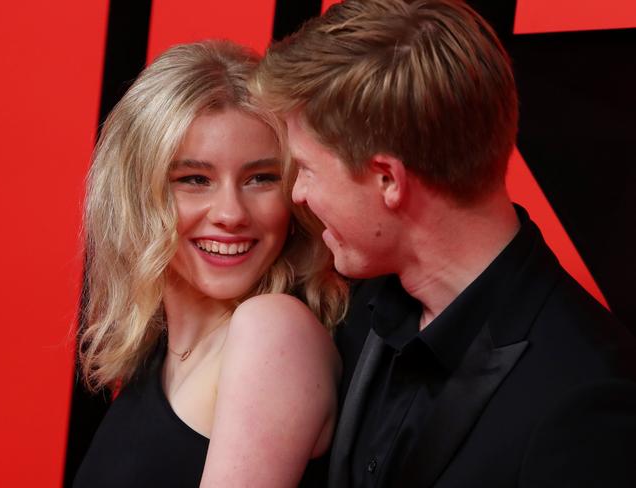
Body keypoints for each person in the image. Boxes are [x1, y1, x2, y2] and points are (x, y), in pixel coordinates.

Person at [253, 0, 636, 486]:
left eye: (307, 168)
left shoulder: (584, 403)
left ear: (388, 179)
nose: (297, 193)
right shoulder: (350, 308)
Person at [73, 40, 347, 488]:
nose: (231, 213)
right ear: (136, 194)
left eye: (261, 178)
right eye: (194, 180)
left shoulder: (270, 330)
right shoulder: (158, 358)